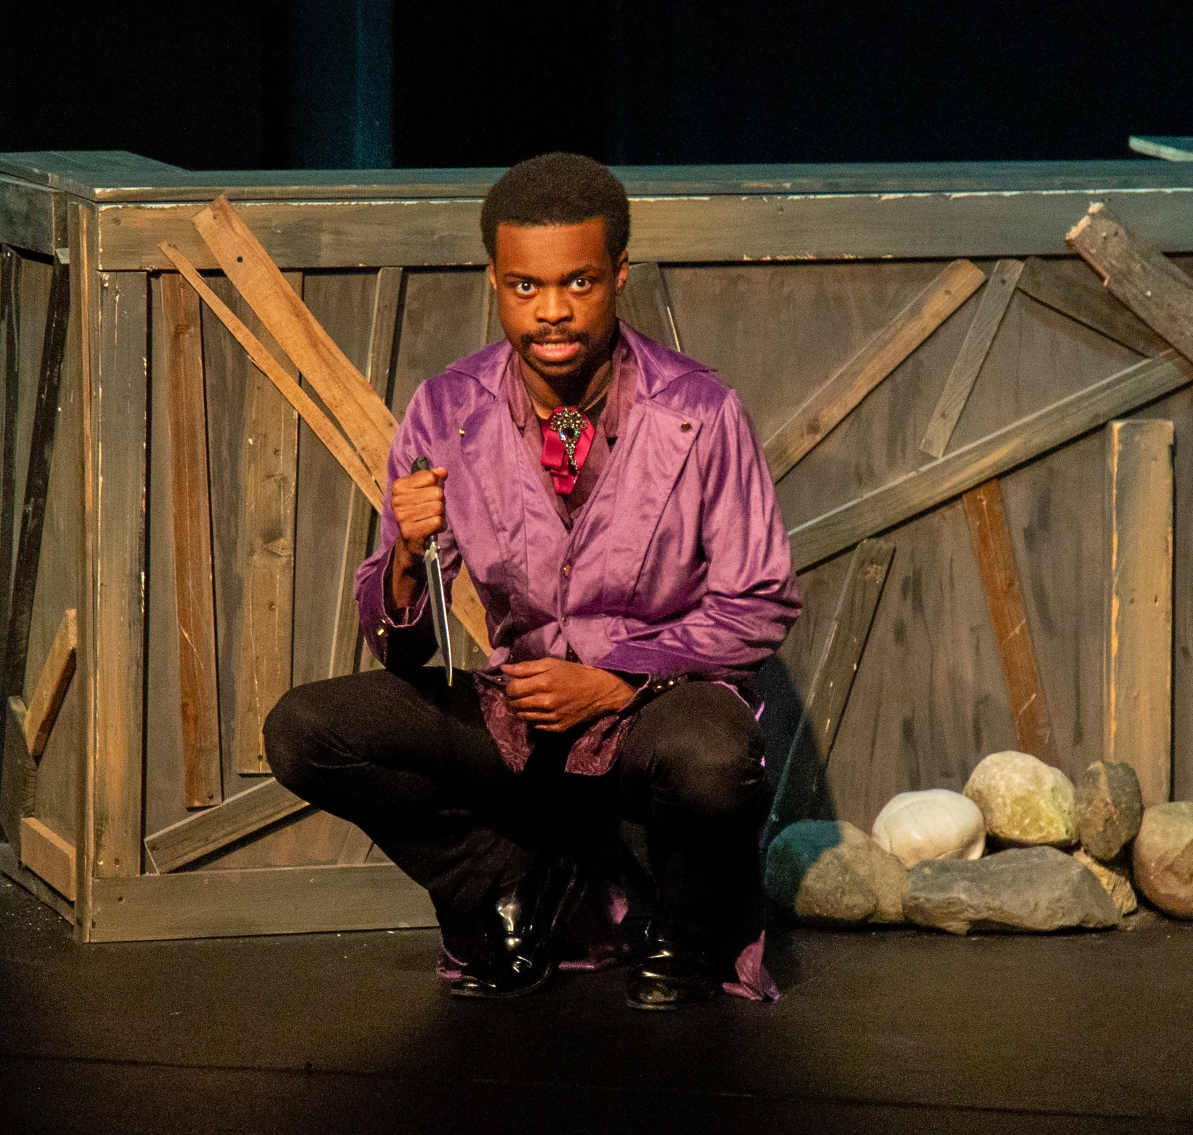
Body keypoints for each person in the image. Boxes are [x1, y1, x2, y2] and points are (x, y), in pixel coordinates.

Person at [264, 152, 800, 1010]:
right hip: (522, 717)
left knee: (713, 757)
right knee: (305, 731)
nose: (551, 311)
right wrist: (406, 553)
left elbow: (760, 599)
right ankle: (509, 878)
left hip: (651, 716)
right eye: (524, 286)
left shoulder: (699, 413)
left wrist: (618, 679)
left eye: (577, 282)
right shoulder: (448, 409)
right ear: (495, 281)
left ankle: (689, 935)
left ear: (618, 275)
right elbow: (402, 647)